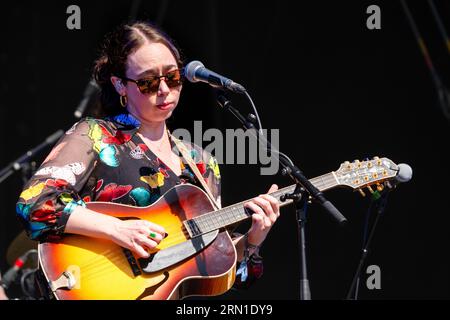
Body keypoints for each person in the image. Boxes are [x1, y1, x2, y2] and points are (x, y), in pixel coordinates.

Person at [15, 21, 280, 299]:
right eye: (148, 81)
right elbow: (35, 204)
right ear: (120, 85)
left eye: (173, 76)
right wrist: (118, 229)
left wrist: (252, 241)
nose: (164, 89)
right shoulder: (96, 135)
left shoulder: (201, 163)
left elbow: (225, 277)